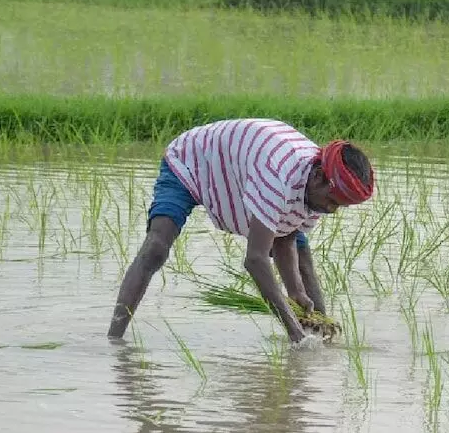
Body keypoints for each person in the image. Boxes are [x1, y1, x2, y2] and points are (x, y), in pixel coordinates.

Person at [106, 118, 375, 343]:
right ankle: (114, 340)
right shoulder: (278, 176)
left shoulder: (317, 185)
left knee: (302, 256)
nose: (332, 210)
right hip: (192, 162)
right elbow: (255, 259)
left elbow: (286, 238)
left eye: (340, 205)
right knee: (156, 248)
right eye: (332, 202)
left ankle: (321, 333)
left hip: (243, 170)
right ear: (318, 177)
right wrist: (292, 331)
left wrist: (295, 293)